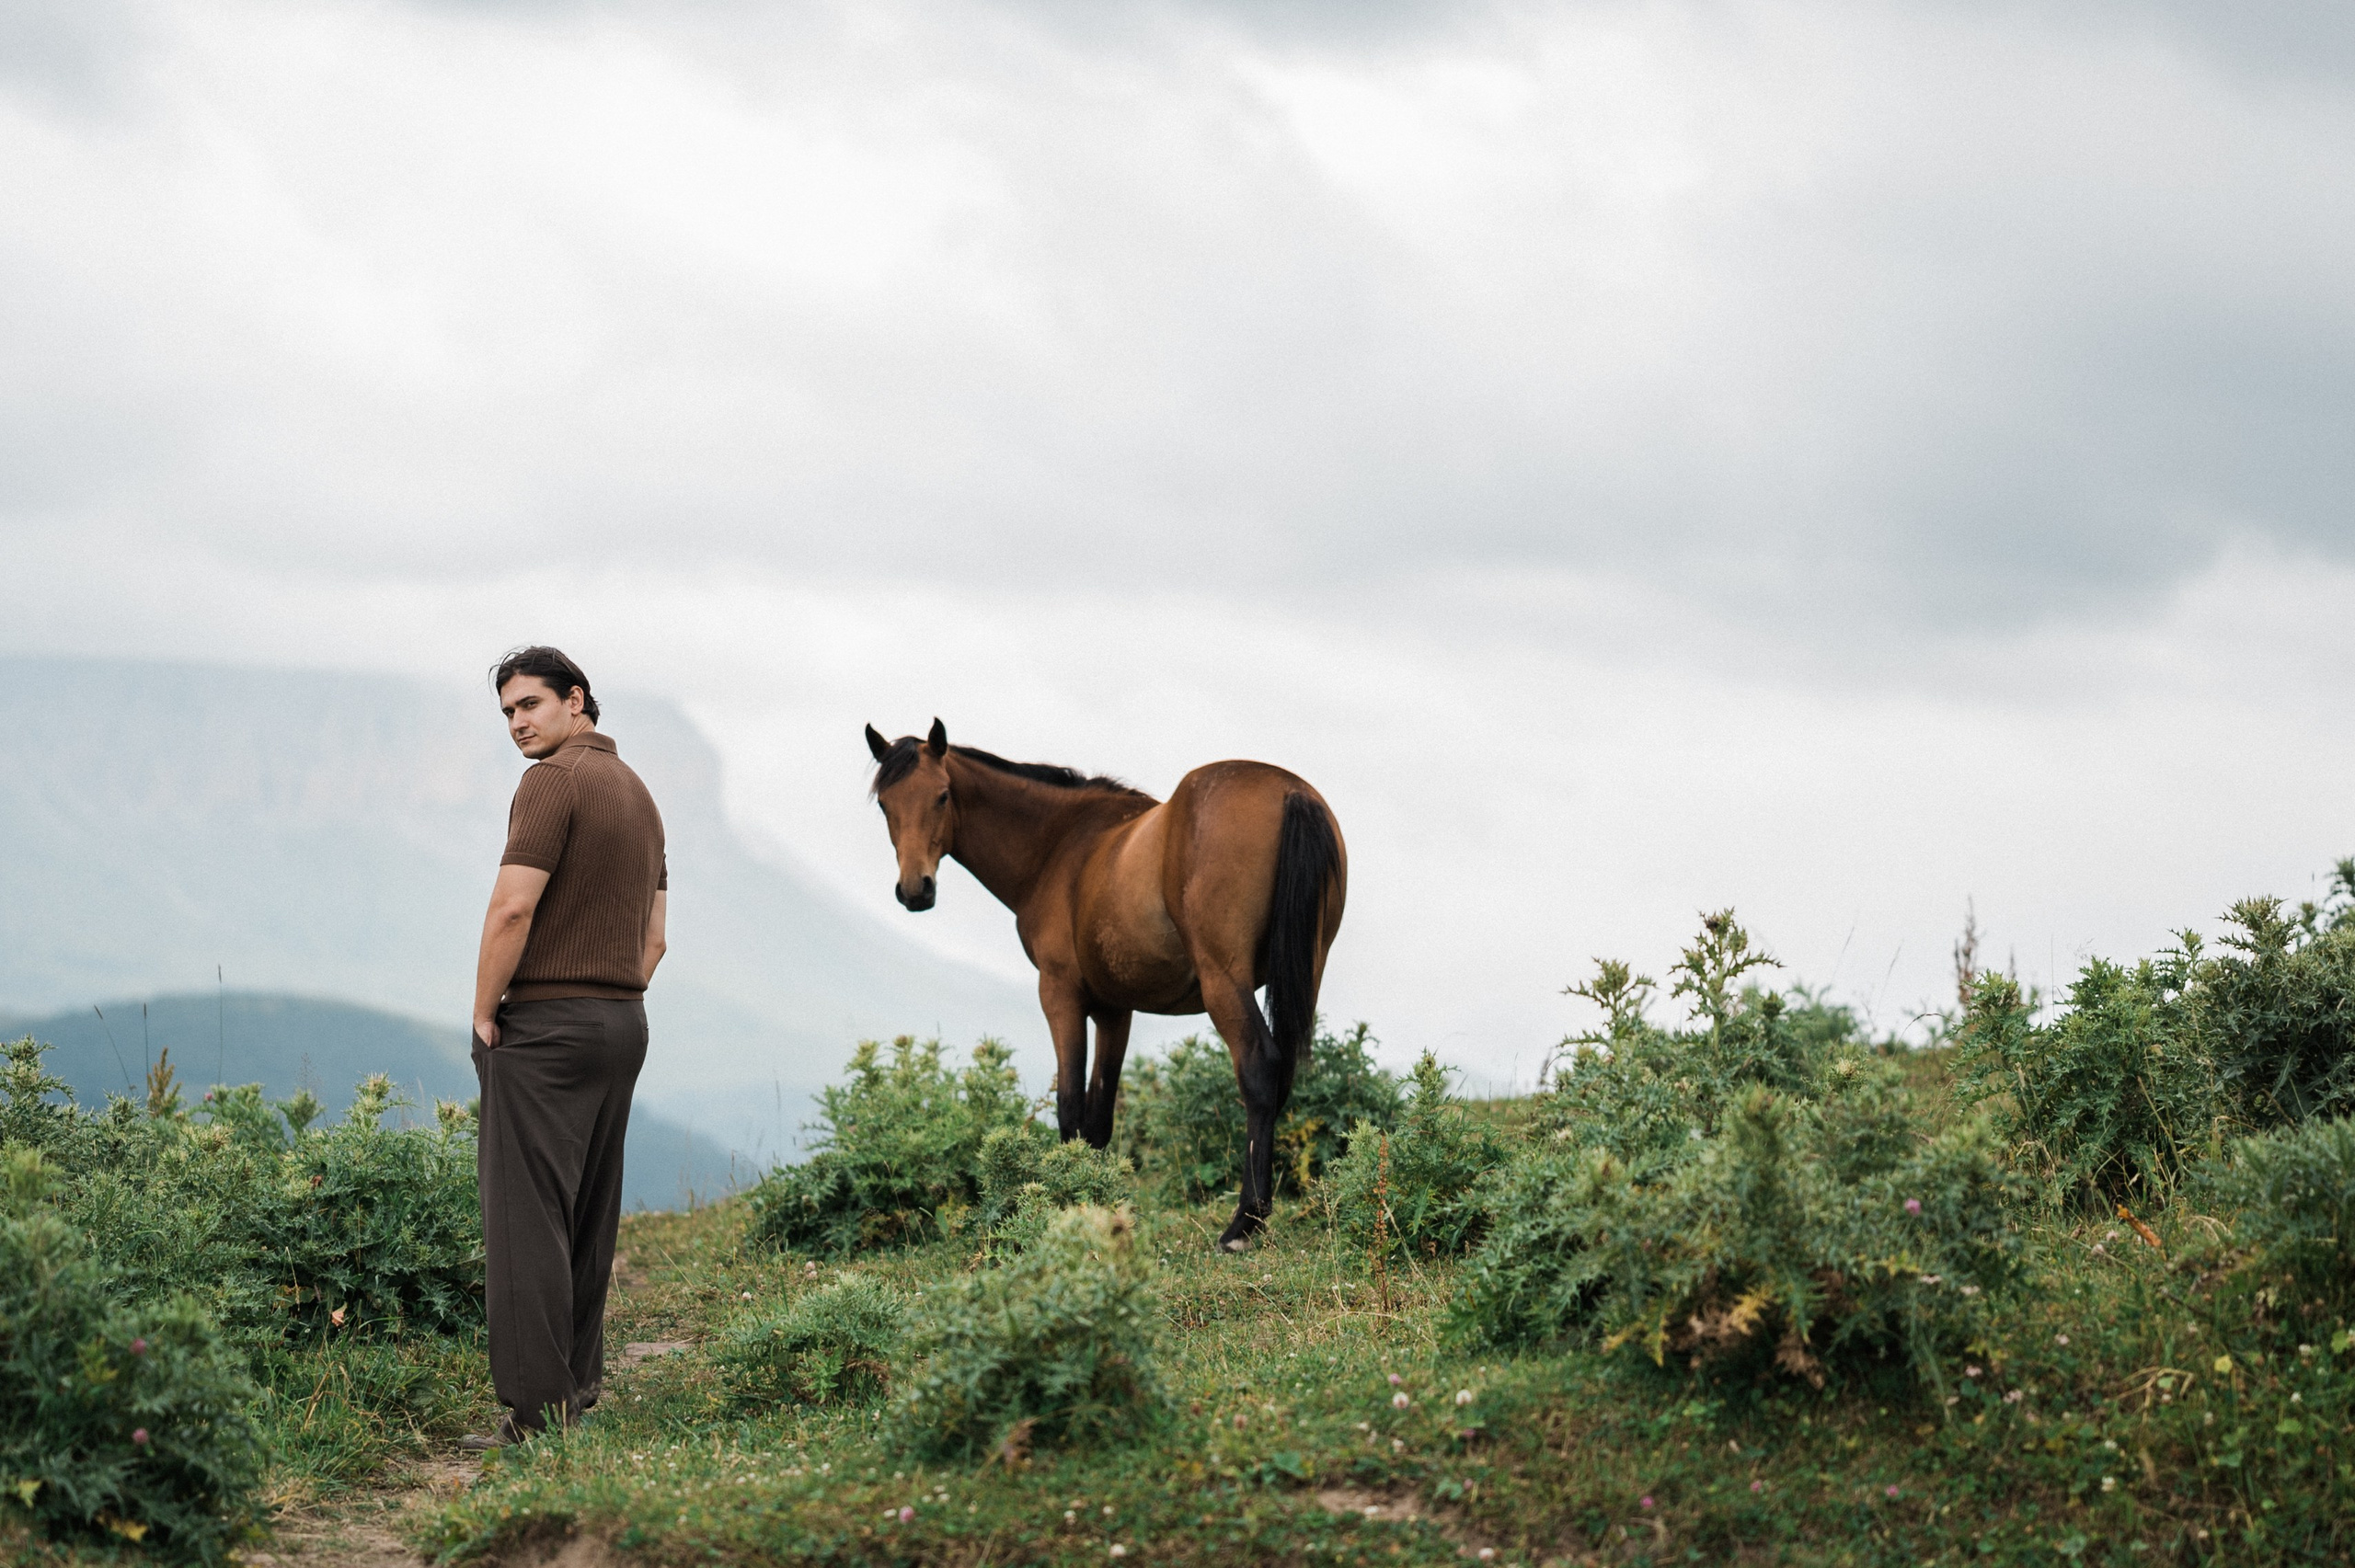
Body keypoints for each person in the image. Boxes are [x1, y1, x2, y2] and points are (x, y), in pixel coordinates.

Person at [459, 646, 668, 1450]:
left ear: (576, 700)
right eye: (508, 711)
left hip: (546, 1026)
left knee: (525, 1216)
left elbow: (512, 909)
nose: (517, 723)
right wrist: (614, 992)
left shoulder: (551, 782)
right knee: (587, 1210)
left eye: (530, 705)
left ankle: (535, 1414)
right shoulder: (638, 794)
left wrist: (485, 1013)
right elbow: (655, 939)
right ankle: (577, 1386)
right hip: (623, 1022)